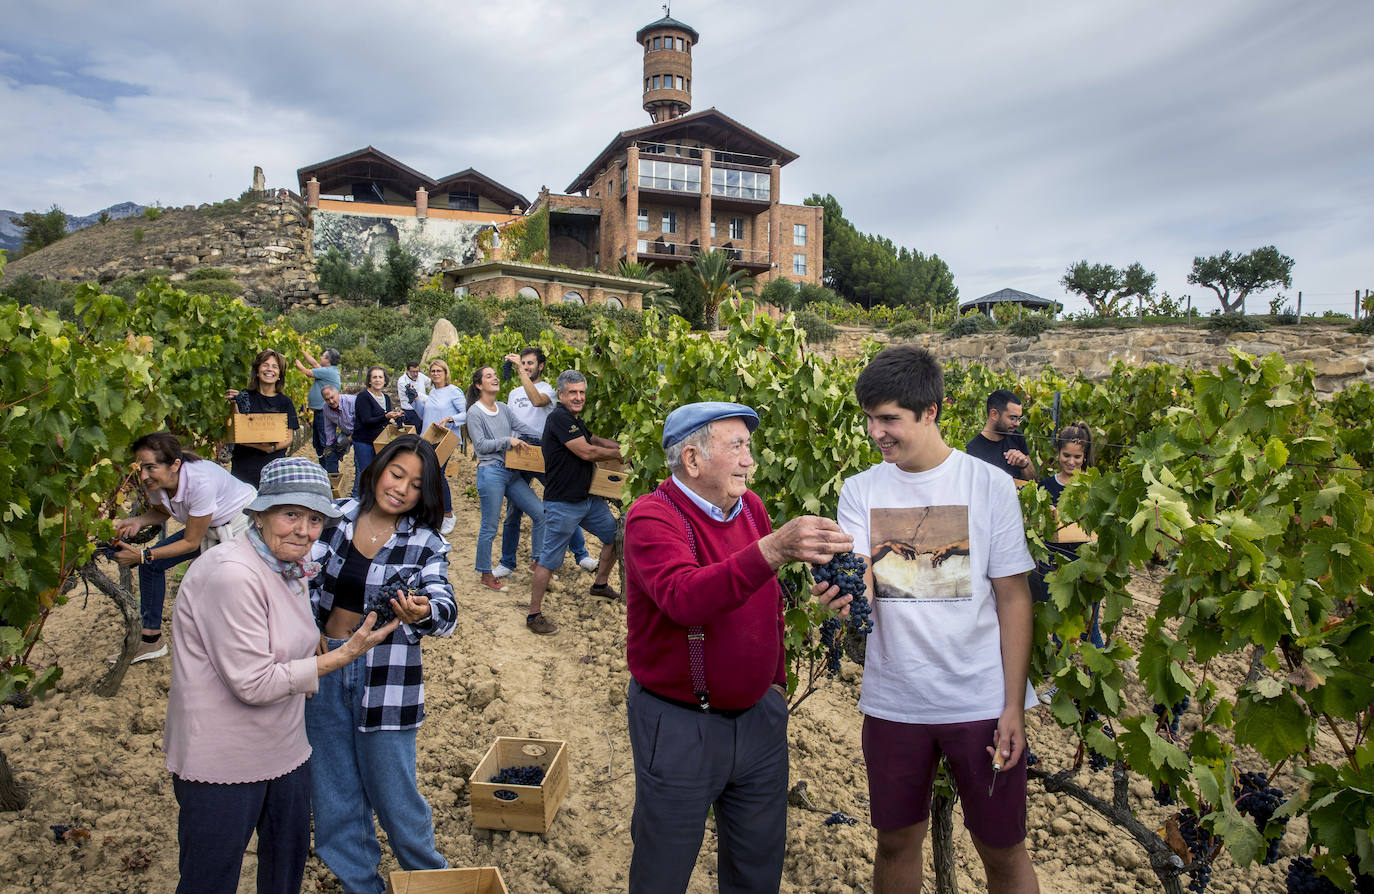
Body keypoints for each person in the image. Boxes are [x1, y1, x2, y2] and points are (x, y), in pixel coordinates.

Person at [826, 346, 1040, 894]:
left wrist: (1013, 705)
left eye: (890, 418)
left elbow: (1014, 598)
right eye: (870, 418)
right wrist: (844, 594)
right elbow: (862, 576)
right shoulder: (861, 490)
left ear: (931, 411)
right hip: (895, 700)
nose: (877, 432)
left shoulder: (989, 486)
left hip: (980, 703)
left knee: (1003, 851)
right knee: (896, 843)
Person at [622, 401, 851, 894]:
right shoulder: (651, 519)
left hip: (759, 727)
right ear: (692, 460)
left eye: (749, 446)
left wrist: (775, 688)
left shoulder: (751, 508)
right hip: (680, 727)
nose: (751, 460)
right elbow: (685, 598)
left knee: (756, 870)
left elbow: (767, 602)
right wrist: (773, 549)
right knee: (663, 870)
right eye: (738, 447)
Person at [163, 457, 397, 894]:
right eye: (290, 514)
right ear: (259, 513)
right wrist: (345, 654)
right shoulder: (231, 574)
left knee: (284, 872)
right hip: (224, 759)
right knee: (209, 879)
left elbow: (290, 630)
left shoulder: (287, 566)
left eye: (314, 519)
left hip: (284, 751)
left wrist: (308, 638)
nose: (303, 531)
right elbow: (254, 684)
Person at [306, 434, 457, 894]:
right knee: (334, 797)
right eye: (397, 474)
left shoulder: (426, 542)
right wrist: (305, 628)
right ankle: (361, 886)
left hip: (387, 677)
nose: (401, 489)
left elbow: (443, 601)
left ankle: (430, 882)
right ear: (377, 471)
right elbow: (295, 576)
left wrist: (425, 612)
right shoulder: (333, 520)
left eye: (415, 484)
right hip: (324, 668)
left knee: (396, 798)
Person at [113, 432, 257, 663]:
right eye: (140, 467)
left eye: (150, 467)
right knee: (151, 566)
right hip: (207, 525)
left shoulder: (200, 482)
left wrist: (143, 554)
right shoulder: (154, 481)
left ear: (175, 464)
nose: (143, 475)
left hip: (241, 526)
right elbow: (162, 511)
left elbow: (190, 541)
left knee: (229, 587)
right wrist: (138, 521)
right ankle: (151, 640)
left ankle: (241, 647)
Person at [526, 370, 622, 636]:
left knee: (615, 536)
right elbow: (586, 451)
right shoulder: (558, 418)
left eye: (581, 392)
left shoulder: (574, 419)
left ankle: (600, 585)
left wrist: (624, 444)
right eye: (573, 393)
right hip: (563, 503)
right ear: (561, 394)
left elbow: (593, 440)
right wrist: (620, 453)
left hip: (588, 499)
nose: (579, 397)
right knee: (549, 561)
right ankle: (534, 614)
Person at [499, 347, 597, 578]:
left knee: (562, 504)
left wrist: (519, 372)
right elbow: (512, 424)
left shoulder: (550, 391)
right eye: (523, 363)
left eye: (530, 363)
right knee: (514, 510)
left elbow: (536, 401)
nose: (525, 367)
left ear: (540, 366)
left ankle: (581, 555)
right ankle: (507, 562)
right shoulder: (513, 393)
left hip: (544, 453)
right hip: (519, 452)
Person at [464, 365, 545, 592]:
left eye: (495, 375)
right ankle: (485, 574)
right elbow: (480, 445)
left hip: (511, 471)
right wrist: (506, 441)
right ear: (479, 385)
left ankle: (537, 561)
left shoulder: (503, 408)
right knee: (489, 527)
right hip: (491, 472)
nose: (495, 378)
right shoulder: (475, 412)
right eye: (489, 376)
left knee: (540, 513)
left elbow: (523, 427)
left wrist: (551, 436)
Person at [1034, 422, 1102, 686]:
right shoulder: (1046, 486)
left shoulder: (1093, 487)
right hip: (1053, 567)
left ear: (1085, 456)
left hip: (1085, 568)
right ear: (1057, 453)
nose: (1071, 461)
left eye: (1077, 457)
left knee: (1089, 626)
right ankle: (1062, 682)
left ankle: (1097, 678)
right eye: (1066, 456)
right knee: (1060, 625)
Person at [229, 349, 300, 488]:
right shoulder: (244, 396)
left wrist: (271, 448)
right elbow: (238, 430)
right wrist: (234, 403)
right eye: (265, 365)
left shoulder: (285, 402)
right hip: (245, 466)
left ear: (279, 374)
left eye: (275, 366)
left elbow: (288, 438)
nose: (270, 369)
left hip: (273, 467)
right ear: (257, 370)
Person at [416, 358, 466, 535]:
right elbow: (424, 415)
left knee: (437, 474)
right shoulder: (432, 392)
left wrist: (450, 419)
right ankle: (431, 513)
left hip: (445, 439)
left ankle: (448, 514)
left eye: (439, 371)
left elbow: (466, 414)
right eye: (433, 371)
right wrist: (416, 400)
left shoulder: (453, 391)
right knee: (428, 475)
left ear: (446, 373)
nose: (435, 374)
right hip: (428, 438)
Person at [351, 366, 404, 498]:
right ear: (369, 380)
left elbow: (382, 419)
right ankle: (357, 501)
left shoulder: (385, 397)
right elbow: (366, 420)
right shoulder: (363, 397)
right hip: (364, 441)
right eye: (374, 377)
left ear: (384, 380)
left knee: (377, 473)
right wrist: (386, 417)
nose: (377, 380)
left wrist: (394, 419)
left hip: (379, 441)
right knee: (364, 473)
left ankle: (371, 501)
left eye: (380, 377)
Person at [965, 388, 1036, 481]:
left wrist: (1024, 464)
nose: (1018, 424)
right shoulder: (973, 451)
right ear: (994, 414)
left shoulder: (1017, 438)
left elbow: (1034, 482)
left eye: (1019, 419)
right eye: (1012, 418)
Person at [295, 348, 343, 469]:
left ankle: (331, 473)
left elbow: (305, 371)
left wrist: (293, 358)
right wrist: (301, 351)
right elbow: (314, 363)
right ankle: (324, 469)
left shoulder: (328, 372)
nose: (320, 358)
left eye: (322, 356)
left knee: (325, 444)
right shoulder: (328, 370)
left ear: (328, 360)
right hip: (319, 413)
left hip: (323, 414)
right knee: (318, 443)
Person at [317, 385, 355, 475]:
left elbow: (363, 424)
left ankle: (358, 487)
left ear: (338, 393)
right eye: (327, 399)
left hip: (362, 431)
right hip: (346, 431)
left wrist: (349, 439)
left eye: (332, 397)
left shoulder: (352, 402)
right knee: (330, 454)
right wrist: (330, 445)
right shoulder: (326, 408)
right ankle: (333, 480)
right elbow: (329, 427)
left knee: (359, 459)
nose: (331, 401)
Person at [397, 361, 430, 432]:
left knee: (425, 431)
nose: (415, 374)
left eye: (417, 371)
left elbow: (430, 383)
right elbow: (415, 394)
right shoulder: (402, 381)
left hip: (422, 408)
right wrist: (431, 399)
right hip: (410, 411)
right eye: (413, 372)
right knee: (414, 434)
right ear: (407, 371)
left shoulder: (420, 376)